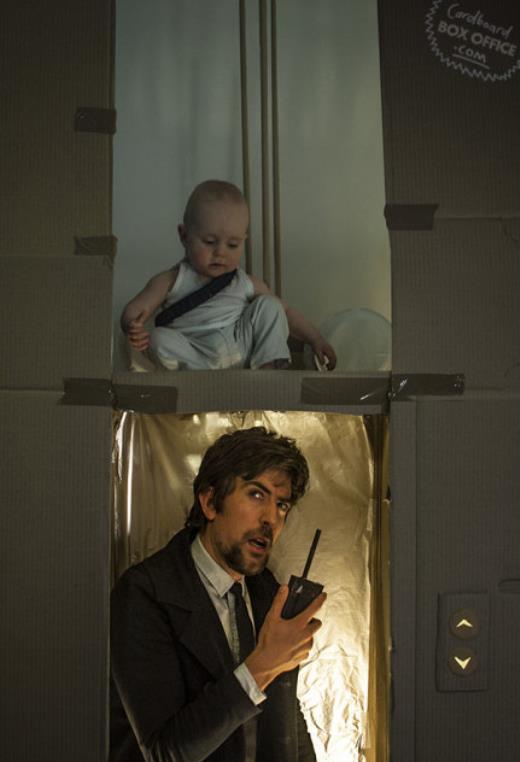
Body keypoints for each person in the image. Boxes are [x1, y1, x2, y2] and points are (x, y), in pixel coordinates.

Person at [110, 427, 326, 762]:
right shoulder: (144, 593)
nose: (271, 518)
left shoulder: (267, 590)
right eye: (256, 495)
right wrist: (263, 665)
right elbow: (164, 751)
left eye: (282, 504)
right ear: (210, 502)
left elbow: (285, 716)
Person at [121, 180, 337, 371]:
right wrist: (134, 326)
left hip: (241, 348)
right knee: (158, 338)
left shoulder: (245, 282)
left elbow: (286, 312)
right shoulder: (170, 280)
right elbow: (134, 311)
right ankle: (202, 381)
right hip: (195, 354)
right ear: (184, 236)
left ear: (243, 241)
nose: (221, 252)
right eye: (209, 242)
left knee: (271, 305)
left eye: (233, 245)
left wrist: (315, 339)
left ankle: (267, 369)